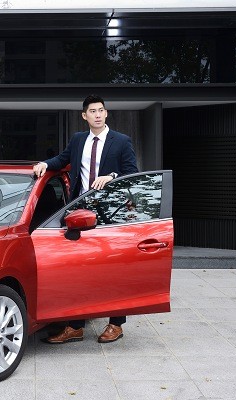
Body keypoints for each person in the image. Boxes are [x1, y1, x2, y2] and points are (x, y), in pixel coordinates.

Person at [33, 94, 138, 344]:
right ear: (84, 115)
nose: (98, 115)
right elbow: (62, 160)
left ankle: (116, 323)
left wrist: (111, 176)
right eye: (93, 111)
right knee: (77, 268)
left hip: (109, 212)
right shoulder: (78, 139)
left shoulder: (121, 141)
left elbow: (132, 174)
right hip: (79, 211)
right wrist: (44, 164)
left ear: (106, 113)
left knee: (112, 269)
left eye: (101, 110)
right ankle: (75, 326)